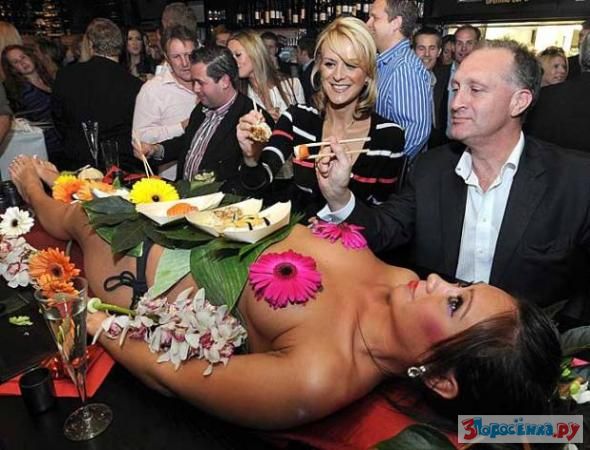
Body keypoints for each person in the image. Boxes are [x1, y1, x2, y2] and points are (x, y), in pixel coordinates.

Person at [8, 155, 563, 430]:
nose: (440, 281)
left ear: (440, 379)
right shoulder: (403, 287)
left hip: (143, 271)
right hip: (203, 217)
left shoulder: (316, 376)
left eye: (455, 303)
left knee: (82, 216)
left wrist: (88, 319)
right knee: (112, 191)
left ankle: (34, 192)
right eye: (463, 286)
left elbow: (170, 374)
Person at [315, 38, 590, 320]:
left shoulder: (574, 180)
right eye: (456, 88)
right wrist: (338, 196)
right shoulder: (430, 170)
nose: (457, 103)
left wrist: (553, 335)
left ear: (519, 101)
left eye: (475, 90)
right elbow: (382, 231)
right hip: (436, 333)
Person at [237, 17, 405, 217]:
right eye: (330, 64)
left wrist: (335, 213)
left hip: (355, 236)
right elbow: (257, 186)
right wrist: (250, 157)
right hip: (300, 233)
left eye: (351, 65)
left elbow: (383, 219)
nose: (338, 75)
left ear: (368, 74)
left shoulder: (387, 137)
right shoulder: (297, 120)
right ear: (320, 68)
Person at [133, 46, 272, 192]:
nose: (196, 89)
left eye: (201, 83)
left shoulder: (252, 120)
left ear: (224, 81)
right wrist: (156, 150)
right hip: (183, 197)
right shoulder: (202, 108)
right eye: (194, 82)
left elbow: (257, 179)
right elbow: (189, 143)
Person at [51, 18, 143, 171]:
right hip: (121, 166)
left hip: (76, 163)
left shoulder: (66, 76)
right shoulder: (134, 84)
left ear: (90, 44)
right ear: (121, 45)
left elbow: (58, 119)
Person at [366, 0, 431, 160]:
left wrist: (388, 165)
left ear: (396, 23)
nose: (368, 24)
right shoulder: (387, 63)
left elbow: (416, 131)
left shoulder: (404, 67)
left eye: (375, 18)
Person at [132, 26, 199, 179]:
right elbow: (140, 139)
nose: (185, 63)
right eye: (176, 57)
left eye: (189, 55)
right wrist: (181, 127)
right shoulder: (153, 89)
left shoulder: (209, 83)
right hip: (173, 182)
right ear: (167, 58)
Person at [526, 33, 590, 153]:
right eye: (555, 66)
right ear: (542, 69)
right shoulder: (532, 99)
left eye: (564, 67)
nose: (561, 71)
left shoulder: (566, 96)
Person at [1, 45, 64, 166]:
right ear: (12, 68)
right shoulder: (18, 91)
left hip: (64, 139)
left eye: (23, 57)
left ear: (31, 57)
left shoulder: (49, 78)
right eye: (16, 62)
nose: (22, 63)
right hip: (44, 145)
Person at [228, 30, 304, 122]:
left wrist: (283, 122)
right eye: (230, 57)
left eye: (238, 55)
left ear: (255, 52)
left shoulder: (292, 85)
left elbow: (305, 125)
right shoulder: (237, 95)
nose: (233, 62)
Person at [433, 25, 481, 140]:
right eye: (459, 43)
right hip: (442, 143)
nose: (463, 48)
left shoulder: (486, 78)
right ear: (454, 47)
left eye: (469, 43)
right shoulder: (438, 75)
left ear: (477, 46)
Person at [296, 36, 316, 105]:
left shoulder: (310, 72)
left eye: (297, 51)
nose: (296, 55)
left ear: (304, 53)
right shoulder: (312, 68)